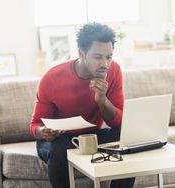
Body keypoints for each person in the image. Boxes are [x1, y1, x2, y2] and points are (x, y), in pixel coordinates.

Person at [30, 22, 135, 188]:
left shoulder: (114, 71)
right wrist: (43, 132)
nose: (105, 64)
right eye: (98, 57)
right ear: (81, 53)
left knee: (128, 135)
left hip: (92, 137)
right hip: (59, 139)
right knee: (59, 146)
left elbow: (118, 122)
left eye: (109, 57)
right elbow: (35, 124)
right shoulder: (51, 78)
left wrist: (102, 100)